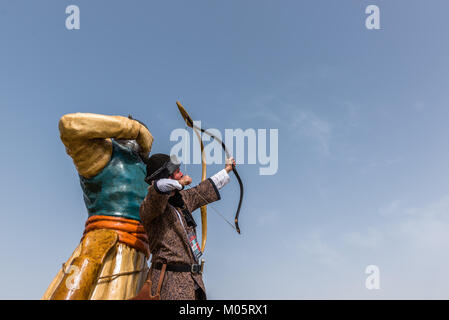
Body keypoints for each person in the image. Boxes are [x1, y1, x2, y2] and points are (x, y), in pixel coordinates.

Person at [42, 112, 153, 300]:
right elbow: (69, 125)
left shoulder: (148, 172)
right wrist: (135, 129)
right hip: (104, 251)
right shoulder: (104, 153)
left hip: (140, 261)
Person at [136, 153, 235, 300]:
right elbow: (158, 187)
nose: (181, 174)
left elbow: (204, 189)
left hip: (193, 282)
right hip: (168, 283)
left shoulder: (182, 199)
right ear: (166, 176)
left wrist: (227, 170)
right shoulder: (151, 205)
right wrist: (181, 182)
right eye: (177, 172)